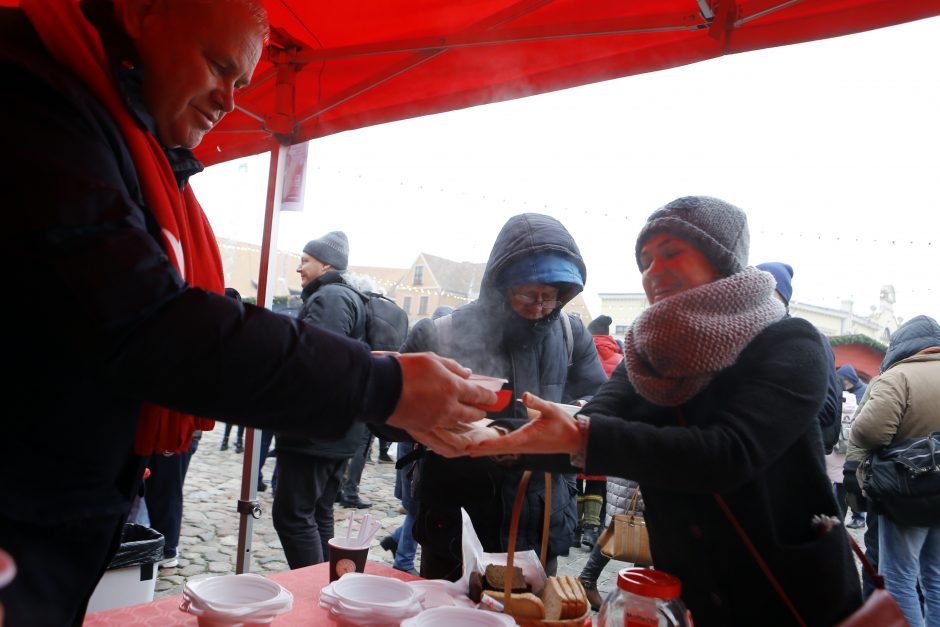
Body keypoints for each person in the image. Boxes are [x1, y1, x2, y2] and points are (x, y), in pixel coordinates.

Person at [0, 2, 495, 623]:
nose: (229, 101)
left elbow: (203, 310)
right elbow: (151, 320)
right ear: (140, 12)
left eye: (241, 83)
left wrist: (379, 375)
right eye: (217, 65)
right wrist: (379, 383)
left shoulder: (127, 140)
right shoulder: (33, 98)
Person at [469, 196, 863, 625]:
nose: (653, 273)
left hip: (787, 590)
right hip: (689, 589)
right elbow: (590, 424)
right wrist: (484, 438)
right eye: (645, 262)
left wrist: (582, 436)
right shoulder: (648, 353)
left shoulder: (790, 341)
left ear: (722, 260)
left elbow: (729, 454)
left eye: (671, 253)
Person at [389, 213, 608, 581]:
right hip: (456, 523)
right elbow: (386, 417)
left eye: (550, 297)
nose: (540, 307)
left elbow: (599, 401)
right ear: (501, 287)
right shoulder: (441, 334)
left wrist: (585, 412)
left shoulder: (572, 335)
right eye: (528, 295)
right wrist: (431, 415)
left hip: (540, 524)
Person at [272, 231, 373, 568]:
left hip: (315, 433)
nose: (299, 268)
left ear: (326, 264)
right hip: (334, 431)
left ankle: (314, 592)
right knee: (317, 512)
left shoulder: (330, 297)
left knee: (292, 516)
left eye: (305, 261)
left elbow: (319, 361)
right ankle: (326, 588)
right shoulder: (341, 296)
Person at [848, 315, 940, 627]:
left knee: (899, 577)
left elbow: (870, 432)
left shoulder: (897, 376)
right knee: (937, 577)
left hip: (907, 494)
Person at [380, 305, 455, 575]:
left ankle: (395, 540)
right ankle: (402, 561)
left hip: (417, 452)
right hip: (416, 452)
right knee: (416, 510)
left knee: (418, 510)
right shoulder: (420, 367)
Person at [578, 477, 644, 610]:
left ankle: (641, 590)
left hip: (631, 474)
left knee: (640, 531)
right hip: (634, 475)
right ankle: (587, 579)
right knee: (618, 526)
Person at [837, 363, 869, 529]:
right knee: (840, 481)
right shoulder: (842, 391)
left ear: (851, 379)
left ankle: (859, 516)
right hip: (841, 443)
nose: (843, 383)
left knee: (855, 480)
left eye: (845, 380)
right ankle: (839, 515)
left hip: (856, 443)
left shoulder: (863, 391)